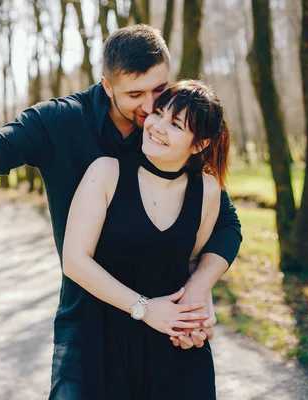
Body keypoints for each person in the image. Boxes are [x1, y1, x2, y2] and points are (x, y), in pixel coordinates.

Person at [0, 25, 242, 399]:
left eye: (160, 90)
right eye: (135, 94)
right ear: (106, 85)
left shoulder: (169, 129)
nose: (151, 109)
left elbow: (223, 223)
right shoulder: (60, 121)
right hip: (88, 325)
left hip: (165, 331)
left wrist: (197, 294)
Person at [63, 79, 229, 399]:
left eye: (176, 124)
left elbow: (193, 262)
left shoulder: (208, 191)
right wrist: (143, 308)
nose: (157, 126)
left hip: (177, 351)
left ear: (199, 144)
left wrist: (198, 317)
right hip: (111, 345)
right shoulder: (107, 173)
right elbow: (74, 260)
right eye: (158, 114)